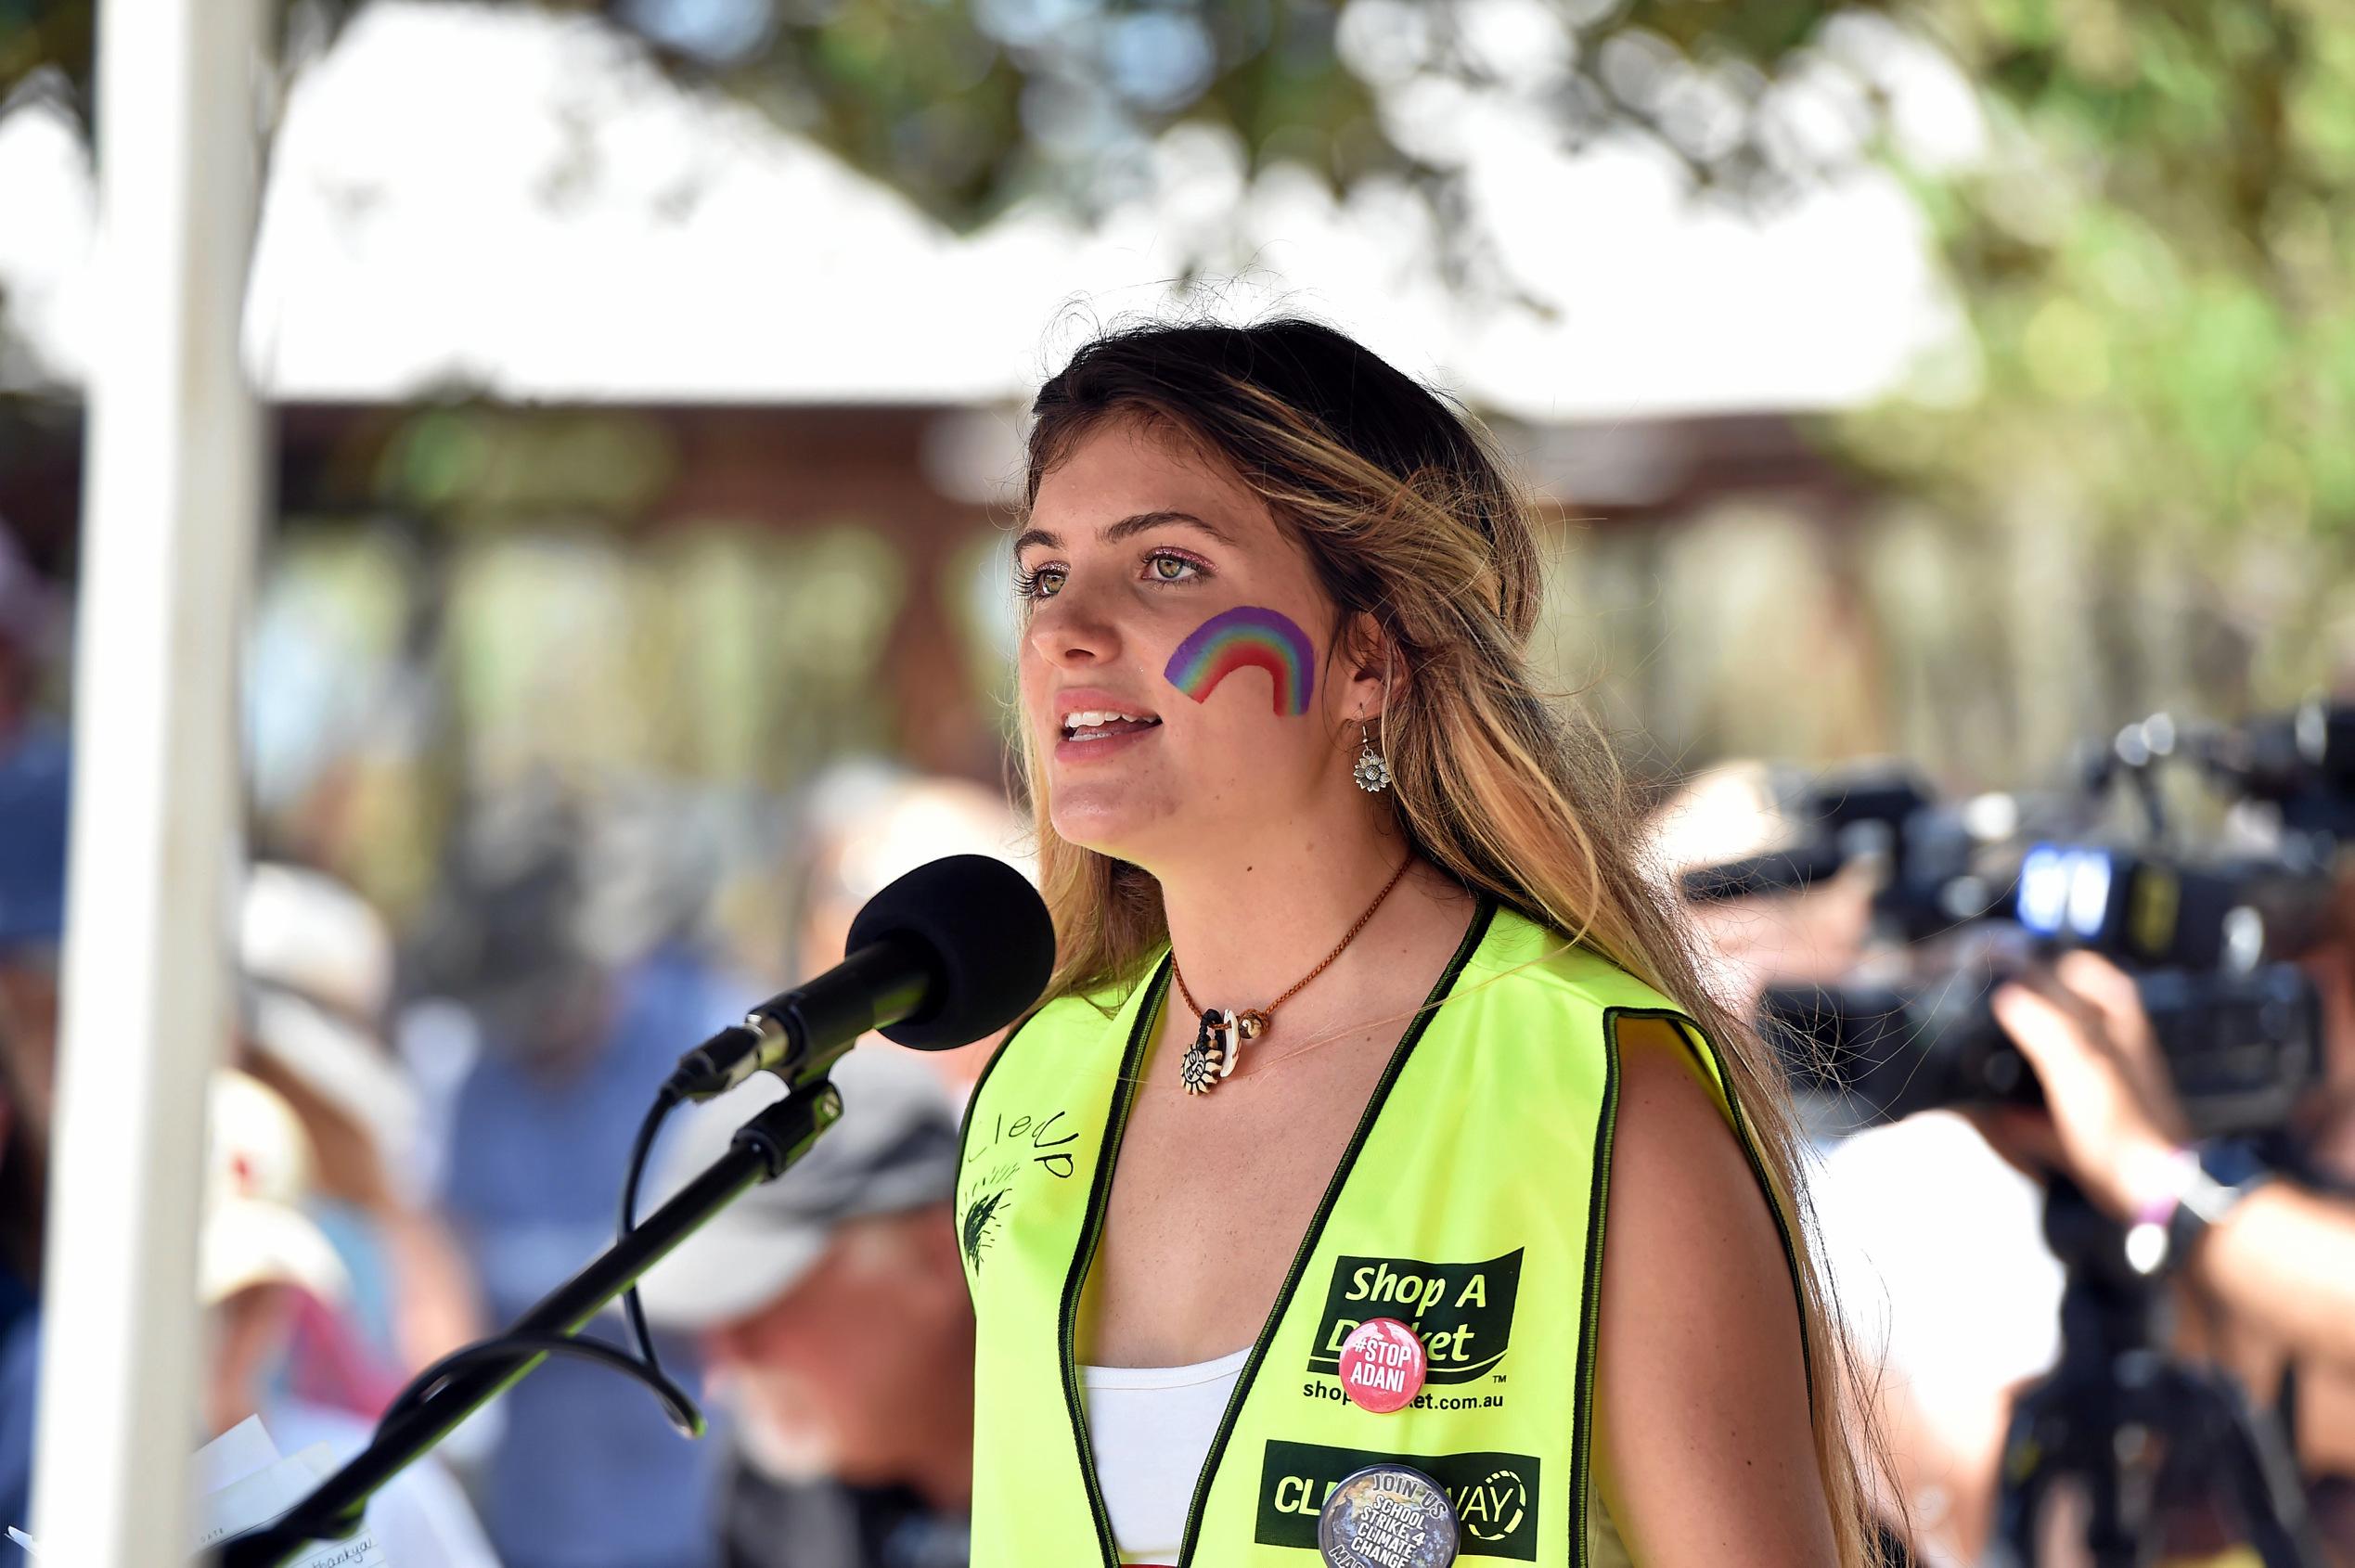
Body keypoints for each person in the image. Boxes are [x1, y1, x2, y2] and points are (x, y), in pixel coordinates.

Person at [957, 318, 1886, 1566]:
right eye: (1041, 575)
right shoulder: (1034, 1087)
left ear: (1366, 659)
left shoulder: (1597, 1089)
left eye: (1167, 565)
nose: (1066, 630)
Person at [636, 1047, 974, 1568]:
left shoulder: (1113, 1449)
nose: (721, 1370)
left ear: (935, 1255)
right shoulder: (773, 1501)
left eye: (758, 1299)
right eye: (706, 1322)